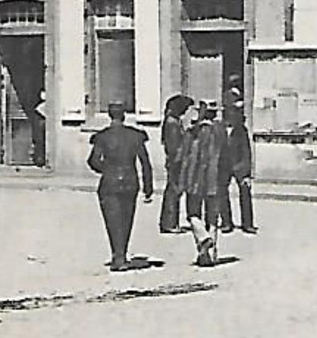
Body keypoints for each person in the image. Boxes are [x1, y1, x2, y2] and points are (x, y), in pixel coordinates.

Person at [87, 103, 153, 271]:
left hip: (109, 182)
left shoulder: (102, 137)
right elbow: (145, 162)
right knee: (126, 218)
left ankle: (118, 256)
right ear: (123, 115)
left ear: (110, 115)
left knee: (112, 220)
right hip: (130, 181)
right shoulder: (135, 136)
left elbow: (93, 161)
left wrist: (107, 169)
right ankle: (121, 253)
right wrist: (148, 187)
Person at [182, 101, 231, 267]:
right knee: (212, 216)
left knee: (193, 214)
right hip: (215, 178)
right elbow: (226, 156)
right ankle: (210, 254)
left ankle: (203, 240)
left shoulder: (193, 132)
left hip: (194, 178)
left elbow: (185, 157)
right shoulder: (221, 131)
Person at [159, 95, 194, 234]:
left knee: (174, 191)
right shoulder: (172, 123)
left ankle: (171, 221)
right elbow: (174, 147)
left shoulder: (174, 121)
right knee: (174, 191)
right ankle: (169, 222)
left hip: (175, 161)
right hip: (176, 162)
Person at [224, 104, 256, 235]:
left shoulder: (242, 131)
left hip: (239, 166)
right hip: (224, 166)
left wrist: (247, 173)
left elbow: (246, 152)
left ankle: (247, 223)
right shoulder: (220, 128)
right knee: (222, 194)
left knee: (245, 193)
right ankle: (226, 222)